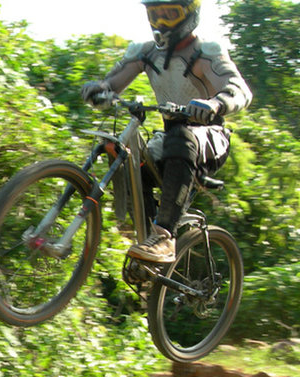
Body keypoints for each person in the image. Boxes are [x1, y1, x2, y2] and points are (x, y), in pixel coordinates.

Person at [81, 0, 252, 263]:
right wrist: (99, 90)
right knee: (130, 161)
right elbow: (112, 83)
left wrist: (215, 104)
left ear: (190, 14)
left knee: (181, 137)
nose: (161, 23)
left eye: (170, 15)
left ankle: (164, 237)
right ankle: (143, 236)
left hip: (210, 136)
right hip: (172, 135)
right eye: (155, 15)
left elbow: (240, 90)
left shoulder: (205, 52)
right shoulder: (146, 52)